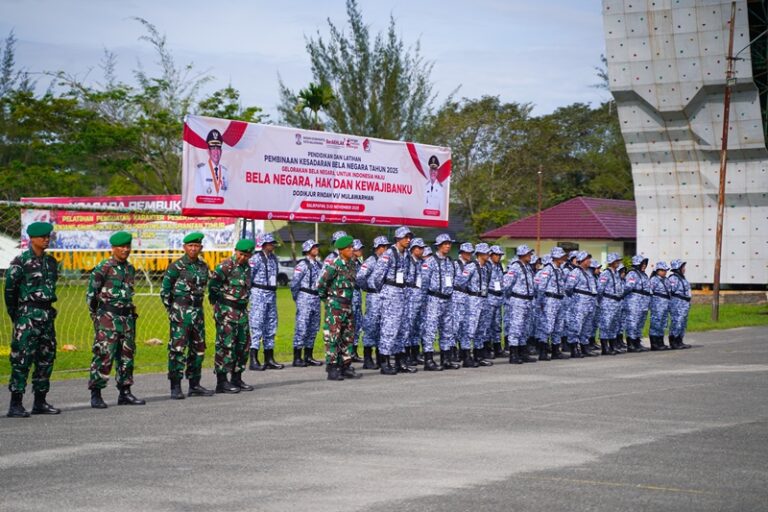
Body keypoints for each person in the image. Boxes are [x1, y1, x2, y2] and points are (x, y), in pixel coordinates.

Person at [5, 222, 60, 418]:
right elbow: (9, 293)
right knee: (22, 359)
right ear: (32, 239)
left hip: (46, 317)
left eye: (48, 236)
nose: (46, 239)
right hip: (27, 317)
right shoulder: (20, 263)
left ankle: (40, 401)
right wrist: (19, 316)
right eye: (42, 236)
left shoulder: (52, 263)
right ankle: (15, 403)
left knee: (46, 358)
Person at [87, 231, 145, 408]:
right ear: (113, 248)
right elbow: (91, 295)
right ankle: (96, 393)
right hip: (108, 318)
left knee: (127, 355)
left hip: (126, 318)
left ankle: (125, 392)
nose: (125, 250)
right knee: (104, 354)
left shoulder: (130, 269)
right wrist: (98, 317)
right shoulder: (103, 268)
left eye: (128, 246)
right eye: (121, 247)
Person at [160, 232, 214, 399]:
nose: (193, 248)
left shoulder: (203, 267)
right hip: (180, 314)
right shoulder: (176, 267)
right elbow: (165, 292)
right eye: (190, 246)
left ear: (201, 248)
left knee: (198, 349)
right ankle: (175, 386)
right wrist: (174, 311)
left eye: (196, 246)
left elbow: (204, 289)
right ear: (184, 247)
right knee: (177, 350)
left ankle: (194, 384)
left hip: (197, 313)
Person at [209, 239, 255, 393]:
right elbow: (213, 287)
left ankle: (237, 378)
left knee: (243, 345)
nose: (243, 258)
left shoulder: (247, 268)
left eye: (246, 255)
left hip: (242, 311)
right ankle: (222, 382)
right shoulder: (225, 266)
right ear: (236, 251)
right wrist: (216, 307)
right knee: (225, 345)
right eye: (241, 254)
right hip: (226, 310)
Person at [371, 226, 417, 375]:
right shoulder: (388, 254)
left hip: (403, 293)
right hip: (391, 292)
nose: (408, 240)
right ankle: (384, 362)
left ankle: (399, 361)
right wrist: (384, 291)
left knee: (402, 329)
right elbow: (377, 277)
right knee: (389, 328)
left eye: (409, 237)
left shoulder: (407, 255)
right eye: (405, 237)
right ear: (397, 238)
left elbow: (410, 274)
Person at [317, 235, 361, 381]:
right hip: (335, 305)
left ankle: (346, 366)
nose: (351, 250)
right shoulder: (334, 265)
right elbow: (321, 284)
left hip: (348, 304)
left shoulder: (352, 265)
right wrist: (328, 300)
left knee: (347, 336)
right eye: (348, 248)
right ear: (341, 250)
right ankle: (332, 367)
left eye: (352, 247)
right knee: (333, 337)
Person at [420, 234, 460, 370]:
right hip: (434, 298)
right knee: (430, 329)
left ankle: (446, 358)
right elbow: (424, 283)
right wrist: (425, 301)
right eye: (445, 244)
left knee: (447, 330)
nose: (448, 246)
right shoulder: (430, 261)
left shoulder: (450, 262)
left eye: (449, 243)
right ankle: (429, 359)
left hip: (447, 299)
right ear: (438, 245)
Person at [248, 233, 284, 371]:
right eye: (270, 243)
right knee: (257, 325)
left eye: (273, 243)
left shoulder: (274, 258)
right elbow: (249, 278)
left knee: (271, 325)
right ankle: (253, 359)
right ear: (263, 244)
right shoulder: (255, 259)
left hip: (271, 294)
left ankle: (269, 358)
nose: (272, 245)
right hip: (258, 294)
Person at [455, 243, 493, 367]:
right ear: (480, 254)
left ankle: (479, 355)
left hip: (483, 299)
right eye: (486, 253)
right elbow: (460, 282)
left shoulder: (487, 267)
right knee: (469, 329)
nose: (488, 255)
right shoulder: (471, 267)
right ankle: (466, 356)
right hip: (472, 299)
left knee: (481, 329)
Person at [289, 239, 324, 367]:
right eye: (314, 247)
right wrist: (297, 298)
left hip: (315, 297)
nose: (316, 249)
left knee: (314, 327)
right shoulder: (302, 265)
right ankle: (297, 356)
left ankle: (309, 355)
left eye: (316, 246)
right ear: (308, 249)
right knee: (302, 327)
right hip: (305, 296)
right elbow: (294, 284)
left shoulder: (319, 265)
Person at [356, 235, 389, 369]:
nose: (385, 249)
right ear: (377, 248)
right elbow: (360, 277)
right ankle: (368, 358)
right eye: (383, 247)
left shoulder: (387, 260)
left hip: (385, 297)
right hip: (374, 296)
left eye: (386, 247)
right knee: (371, 326)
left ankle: (381, 357)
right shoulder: (370, 261)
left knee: (383, 327)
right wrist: (366, 288)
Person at [503, 244, 537, 364]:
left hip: (528, 301)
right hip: (518, 300)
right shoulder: (515, 267)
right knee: (516, 327)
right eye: (528, 254)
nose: (530, 256)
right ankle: (513, 354)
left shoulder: (527, 267)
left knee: (525, 328)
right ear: (522, 254)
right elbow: (506, 285)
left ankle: (523, 352)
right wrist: (511, 297)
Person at [533, 247, 569, 361]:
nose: (563, 259)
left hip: (559, 300)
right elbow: (541, 287)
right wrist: (540, 303)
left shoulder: (560, 269)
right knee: (547, 326)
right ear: (556, 257)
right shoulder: (548, 269)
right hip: (550, 300)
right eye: (561, 257)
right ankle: (543, 351)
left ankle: (555, 351)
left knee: (558, 327)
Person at [564, 251, 599, 359]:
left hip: (590, 302)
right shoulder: (575, 272)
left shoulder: (589, 273)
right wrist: (575, 299)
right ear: (581, 261)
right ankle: (574, 348)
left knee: (587, 326)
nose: (589, 261)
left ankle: (585, 347)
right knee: (576, 325)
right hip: (579, 302)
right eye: (587, 259)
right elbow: (568, 287)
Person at [401, 238, 427, 366]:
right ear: (412, 249)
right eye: (418, 248)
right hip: (410, 297)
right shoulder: (407, 261)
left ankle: (415, 354)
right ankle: (405, 355)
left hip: (421, 297)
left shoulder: (423, 262)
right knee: (408, 327)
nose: (420, 250)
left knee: (418, 327)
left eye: (422, 248)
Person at [452, 242, 475, 364]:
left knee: (466, 326)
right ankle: (452, 351)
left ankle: (464, 352)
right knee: (455, 324)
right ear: (462, 253)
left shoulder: (471, 265)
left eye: (471, 252)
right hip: (457, 295)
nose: (469, 255)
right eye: (467, 252)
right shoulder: (455, 264)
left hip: (467, 296)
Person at [596, 253, 624, 356]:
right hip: (608, 301)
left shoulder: (616, 273)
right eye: (616, 261)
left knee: (614, 324)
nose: (618, 263)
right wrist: (601, 301)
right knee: (606, 324)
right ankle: (605, 348)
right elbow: (600, 289)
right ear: (611, 262)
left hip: (616, 302)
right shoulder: (605, 273)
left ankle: (612, 346)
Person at [624, 255, 651, 352]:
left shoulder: (644, 275)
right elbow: (627, 287)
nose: (644, 266)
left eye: (645, 264)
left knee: (640, 323)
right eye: (642, 264)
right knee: (633, 323)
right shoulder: (632, 274)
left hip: (643, 304)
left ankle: (637, 342)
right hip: (634, 303)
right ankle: (631, 344)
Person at [484, 245, 507, 358]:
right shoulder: (487, 266)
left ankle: (498, 347)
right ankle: (487, 348)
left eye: (500, 255)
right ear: (491, 255)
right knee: (487, 324)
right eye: (496, 255)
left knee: (497, 324)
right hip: (489, 297)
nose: (498, 257)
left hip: (498, 298)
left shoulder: (499, 266)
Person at [195, 129, 229, 198]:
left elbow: (228, 195)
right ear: (208, 151)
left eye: (218, 149)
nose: (216, 152)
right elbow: (197, 195)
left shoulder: (225, 172)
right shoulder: (201, 171)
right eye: (213, 148)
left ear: (221, 151)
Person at [667, 259, 692, 349]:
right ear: (678, 268)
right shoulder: (673, 278)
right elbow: (671, 291)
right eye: (683, 267)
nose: (684, 269)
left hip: (684, 304)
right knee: (677, 322)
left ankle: (679, 340)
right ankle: (674, 341)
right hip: (677, 304)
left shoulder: (682, 278)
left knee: (682, 322)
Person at [648, 261, 671, 351]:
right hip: (657, 305)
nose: (664, 272)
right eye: (662, 270)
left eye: (665, 270)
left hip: (665, 305)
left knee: (663, 324)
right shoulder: (654, 280)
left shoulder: (666, 280)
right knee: (656, 324)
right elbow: (650, 292)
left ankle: (660, 342)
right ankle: (654, 344)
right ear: (657, 271)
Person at [350, 239, 365, 362]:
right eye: (358, 249)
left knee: (358, 325)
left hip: (358, 297)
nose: (360, 251)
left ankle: (354, 352)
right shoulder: (347, 264)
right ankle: (347, 352)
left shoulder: (359, 264)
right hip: (349, 297)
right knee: (349, 325)